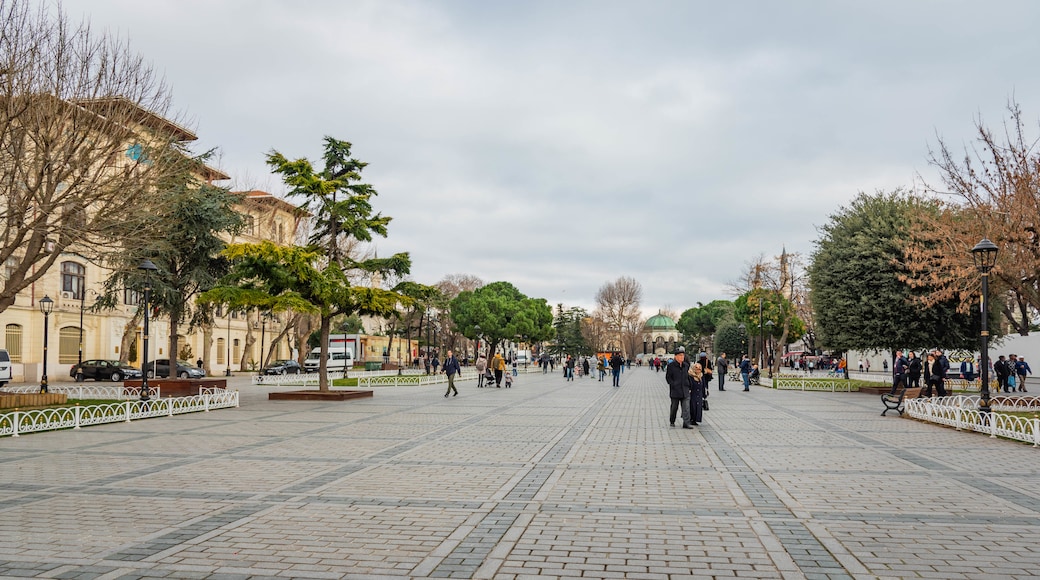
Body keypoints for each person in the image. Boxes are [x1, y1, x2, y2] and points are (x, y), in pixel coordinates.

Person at [665, 347, 693, 429]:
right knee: (674, 407)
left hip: (685, 389)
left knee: (686, 408)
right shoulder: (671, 366)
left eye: (683, 355)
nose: (682, 357)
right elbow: (668, 378)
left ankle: (686, 423)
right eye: (680, 355)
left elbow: (688, 377)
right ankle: (672, 420)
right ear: (676, 356)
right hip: (675, 390)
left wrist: (689, 385)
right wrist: (673, 384)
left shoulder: (686, 365)